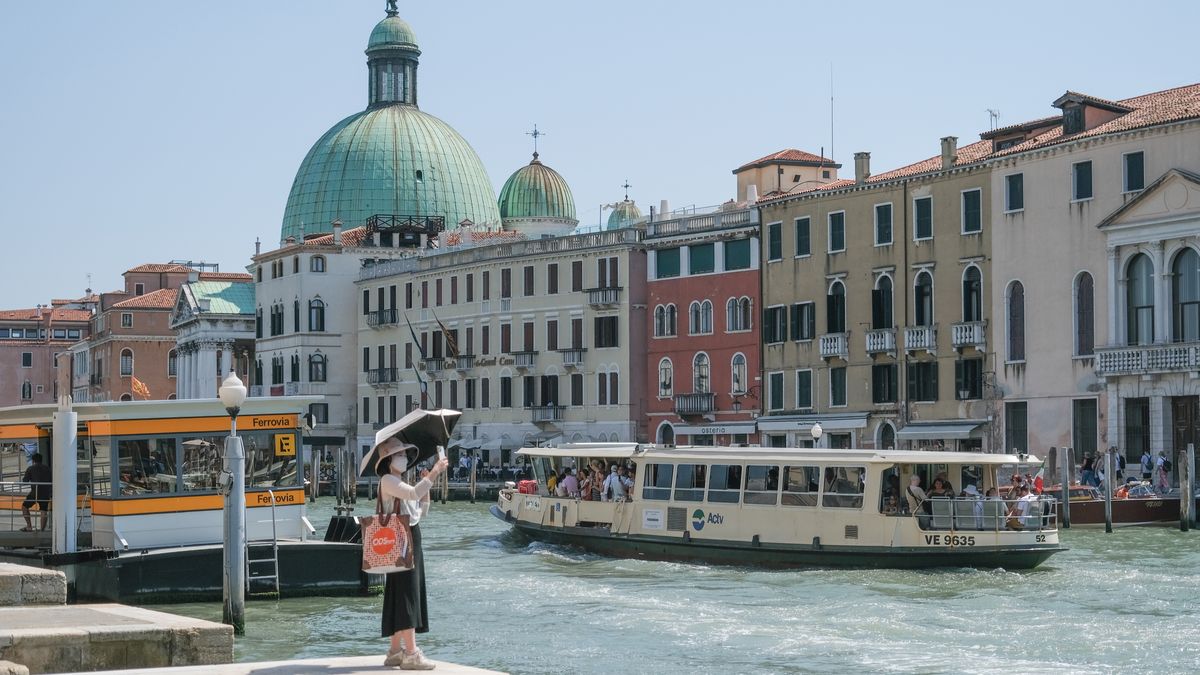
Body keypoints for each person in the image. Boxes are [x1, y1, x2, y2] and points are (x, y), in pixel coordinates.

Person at [376, 439, 449, 670]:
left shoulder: (399, 482)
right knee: (407, 592)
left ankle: (395, 651)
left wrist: (425, 490)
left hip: (409, 536)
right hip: (402, 540)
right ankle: (412, 653)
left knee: (402, 591)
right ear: (389, 460)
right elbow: (415, 492)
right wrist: (436, 471)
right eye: (400, 455)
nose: (404, 458)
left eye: (406, 455)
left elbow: (420, 512)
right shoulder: (388, 480)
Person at [21, 453, 52, 532]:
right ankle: (42, 530)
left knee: (24, 507)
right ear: (41, 460)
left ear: (33, 461)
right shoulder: (48, 469)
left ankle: (29, 526)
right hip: (45, 493)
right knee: (43, 510)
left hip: (35, 492)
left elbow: (25, 481)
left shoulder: (30, 468)